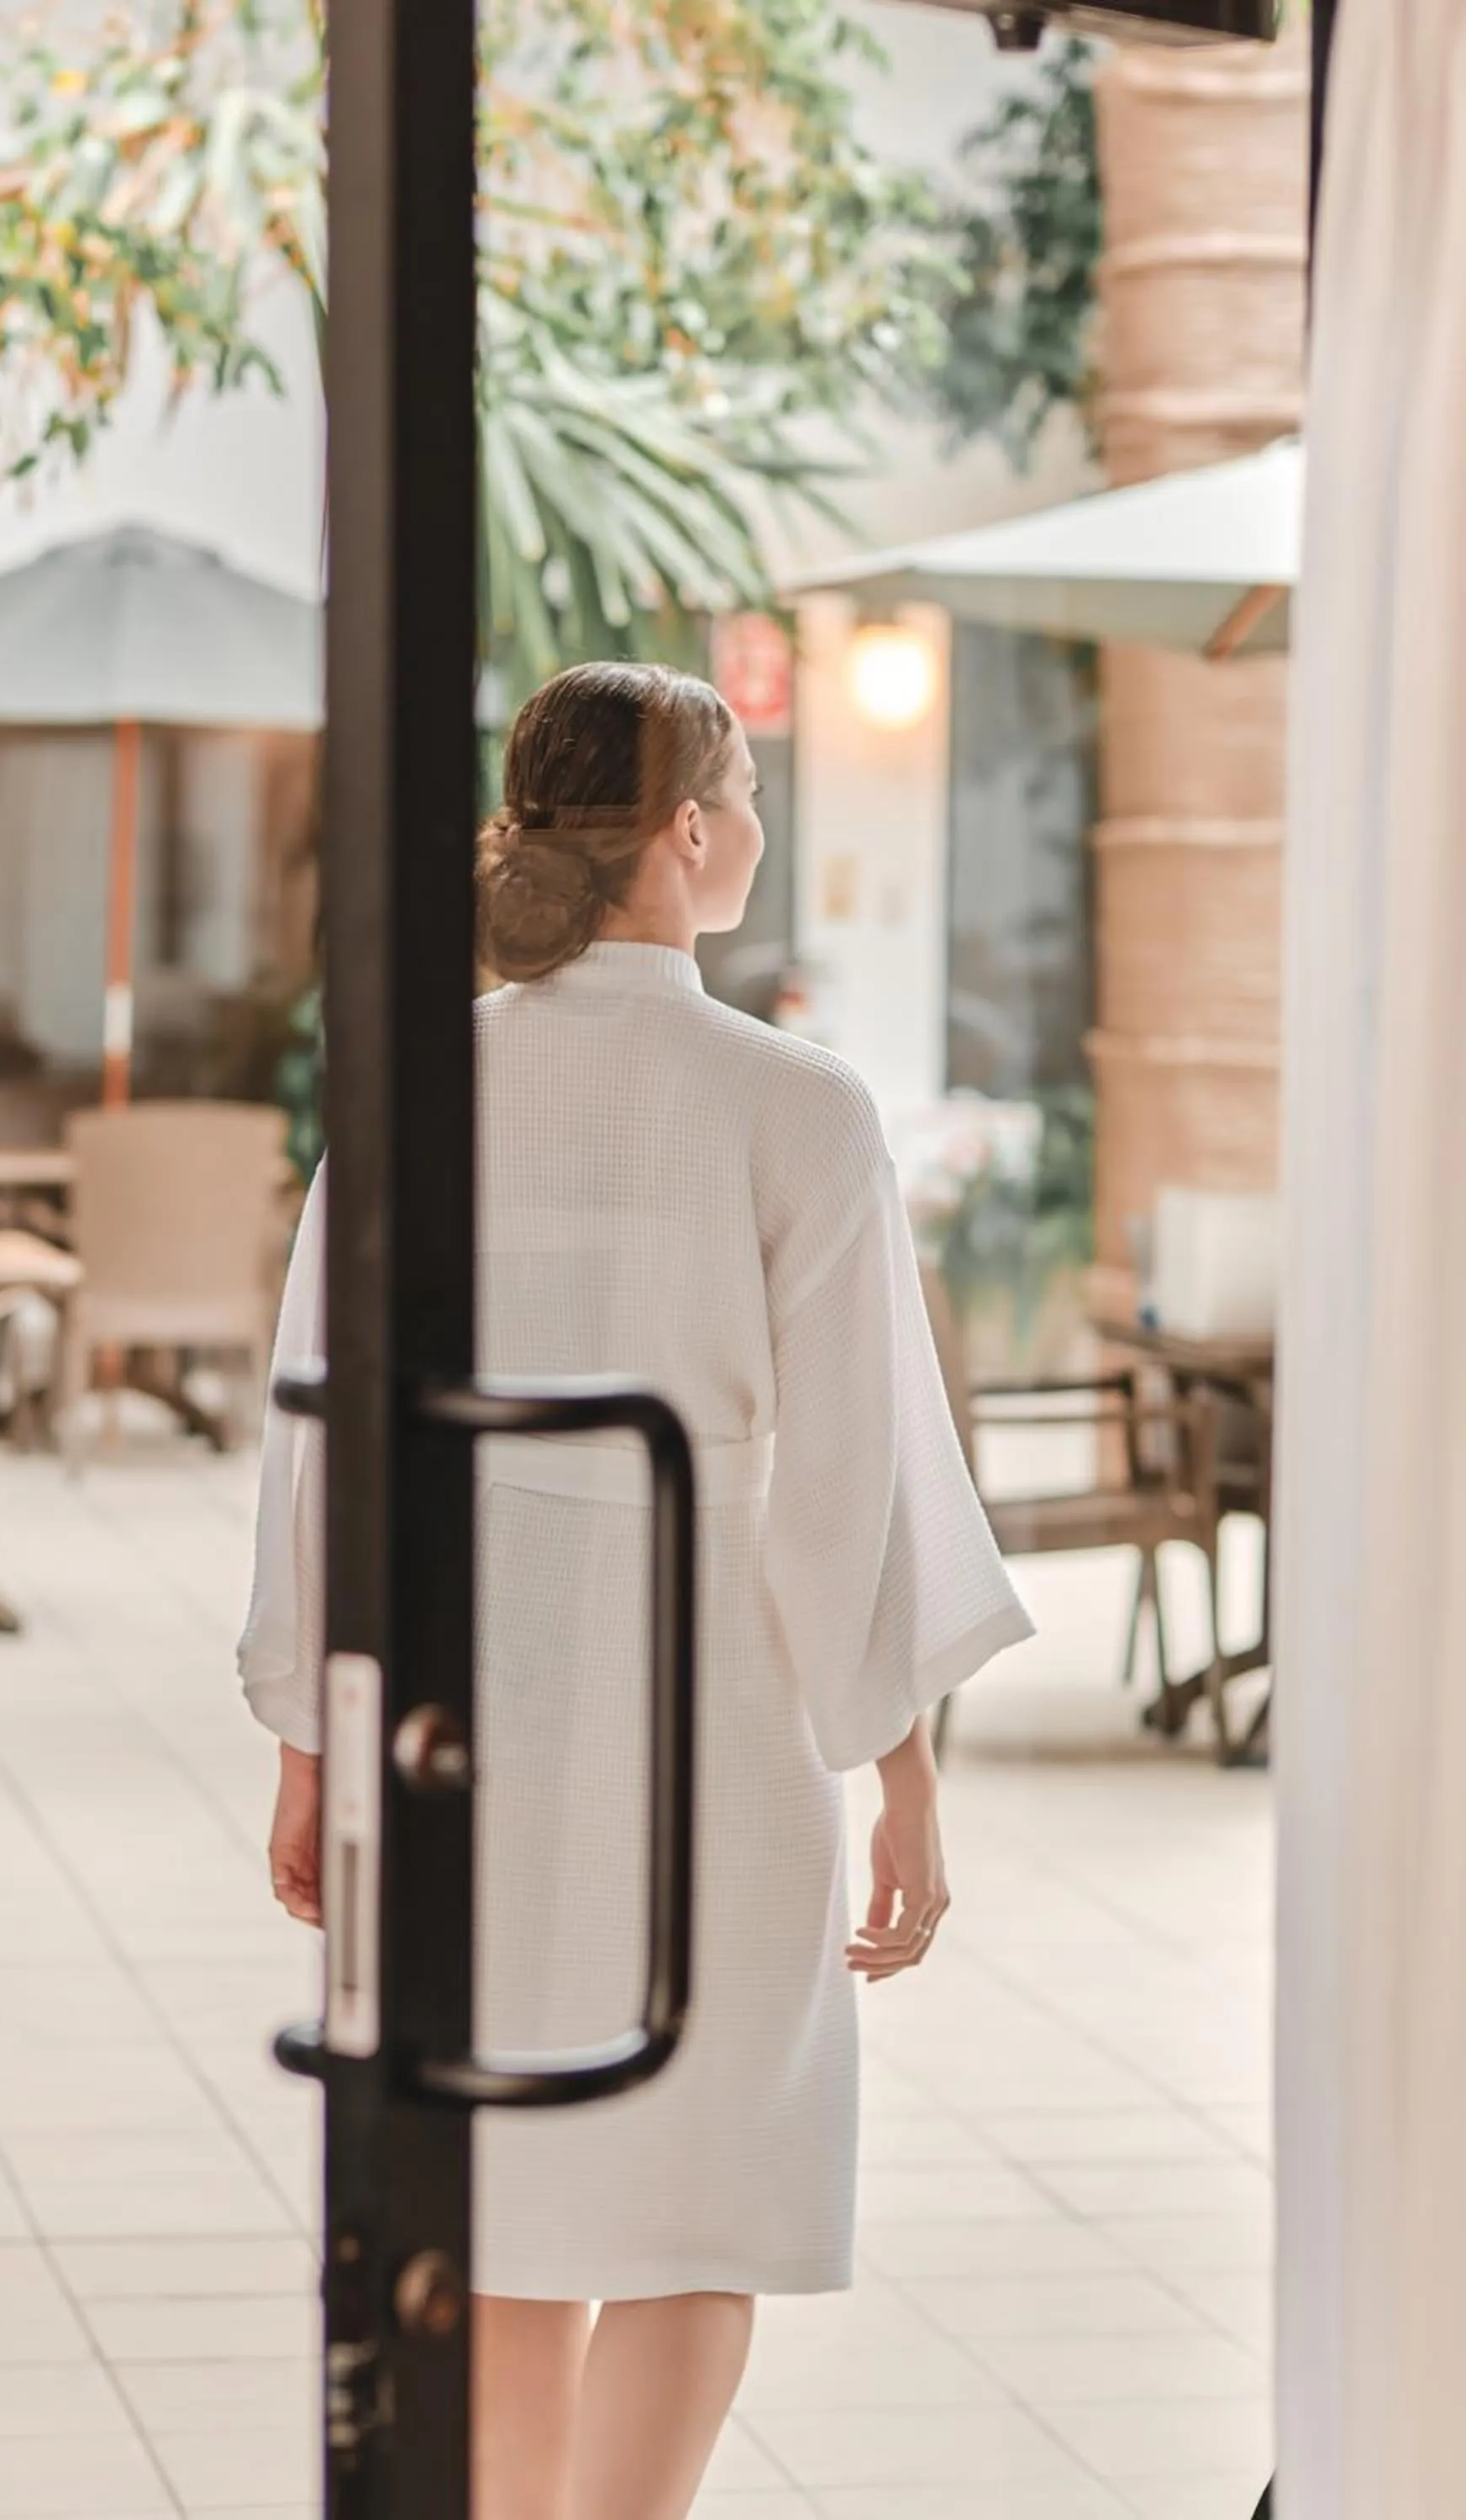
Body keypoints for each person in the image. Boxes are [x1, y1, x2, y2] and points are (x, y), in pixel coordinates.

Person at [239, 661, 1033, 2520]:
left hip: (470, 1698)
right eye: (745, 790)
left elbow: (325, 1438)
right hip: (722, 1718)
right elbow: (851, 1475)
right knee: (705, 2184)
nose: (758, 822)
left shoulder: (416, 1095)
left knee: (514, 2185)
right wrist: (906, 1771)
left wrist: (307, 1739)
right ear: (686, 833)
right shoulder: (795, 1105)